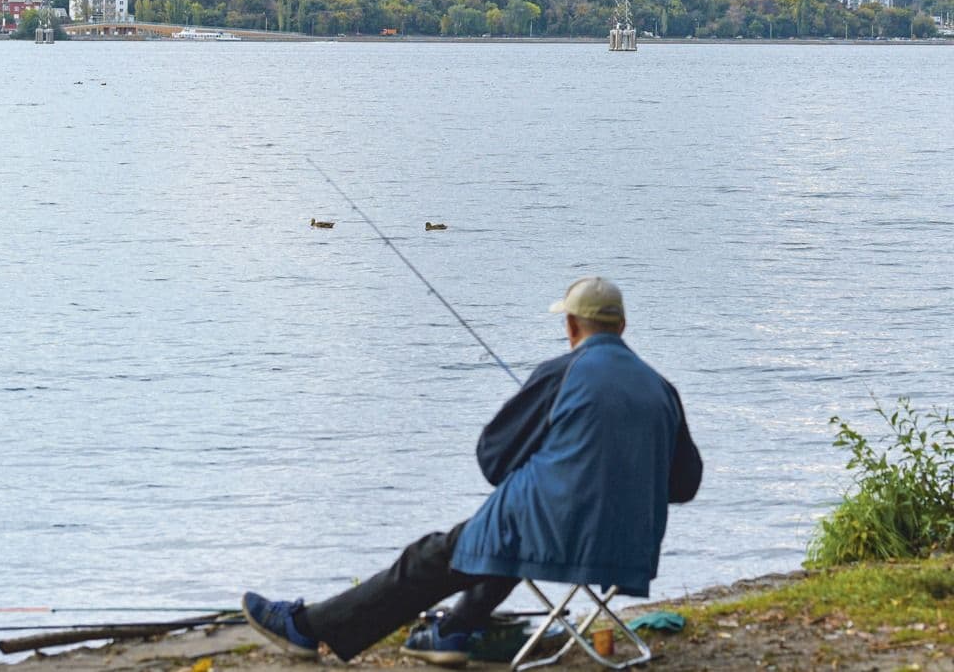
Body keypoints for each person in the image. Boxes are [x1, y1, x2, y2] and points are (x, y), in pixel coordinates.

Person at [241, 276, 702, 666]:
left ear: (569, 325)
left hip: (556, 537)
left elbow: (493, 459)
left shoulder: (564, 372)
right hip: (629, 551)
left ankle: (306, 628)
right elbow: (685, 484)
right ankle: (453, 632)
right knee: (507, 536)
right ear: (621, 327)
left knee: (432, 556)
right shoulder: (662, 389)